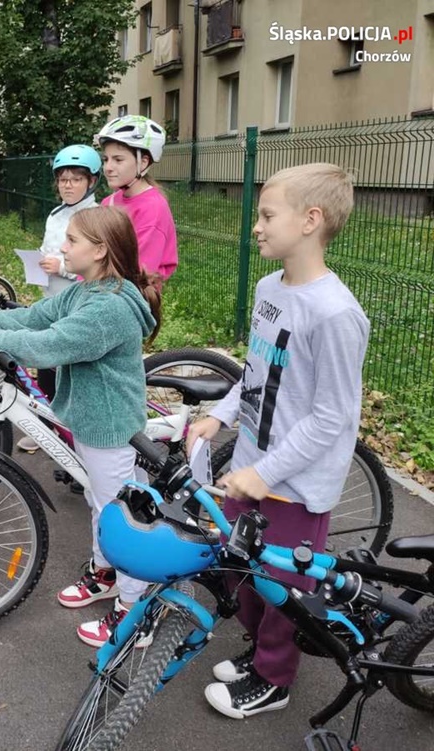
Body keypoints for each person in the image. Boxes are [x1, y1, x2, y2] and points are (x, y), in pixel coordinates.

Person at [187, 163, 369, 719]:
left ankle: (274, 678)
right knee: (242, 577)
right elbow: (256, 372)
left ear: (311, 220)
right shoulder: (271, 288)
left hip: (294, 483)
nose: (257, 227)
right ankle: (259, 649)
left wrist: (266, 473)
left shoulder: (336, 314)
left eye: (268, 215)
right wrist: (219, 418)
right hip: (252, 464)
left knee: (282, 589)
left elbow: (333, 416)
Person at [0, 205, 161, 646]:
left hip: (110, 425)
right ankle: (106, 574)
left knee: (120, 516)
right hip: (91, 418)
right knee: (104, 504)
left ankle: (136, 610)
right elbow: (35, 317)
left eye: (73, 240)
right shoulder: (85, 290)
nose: (63, 247)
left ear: (99, 251)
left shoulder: (110, 307)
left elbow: (49, 345)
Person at [16, 144, 102, 454]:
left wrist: (62, 267)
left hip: (77, 301)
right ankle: (49, 427)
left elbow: (96, 261)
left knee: (70, 370)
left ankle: (74, 434)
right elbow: (50, 247)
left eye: (76, 179)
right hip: (51, 299)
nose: (68, 185)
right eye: (63, 179)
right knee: (47, 367)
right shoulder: (56, 214)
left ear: (91, 182)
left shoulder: (93, 216)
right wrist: (40, 261)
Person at [95, 115, 178, 284]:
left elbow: (139, 271)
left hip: (130, 299)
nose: (108, 167)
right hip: (99, 291)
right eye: (106, 159)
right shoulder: (109, 202)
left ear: (142, 163)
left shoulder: (153, 208)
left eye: (118, 160)